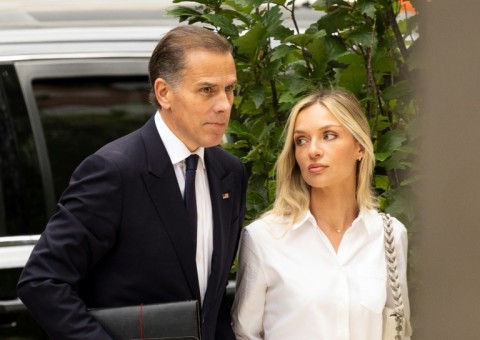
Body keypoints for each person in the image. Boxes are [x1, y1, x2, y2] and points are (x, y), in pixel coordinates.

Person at [17, 25, 247, 340]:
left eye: (230, 88)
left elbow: (213, 300)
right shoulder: (114, 171)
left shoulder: (229, 173)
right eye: (207, 90)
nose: (224, 104)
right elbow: (42, 282)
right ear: (164, 93)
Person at [231, 89, 411, 339]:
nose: (312, 150)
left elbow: (397, 328)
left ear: (359, 147)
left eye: (329, 136)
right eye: (301, 140)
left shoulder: (389, 235)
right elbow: (245, 333)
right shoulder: (264, 238)